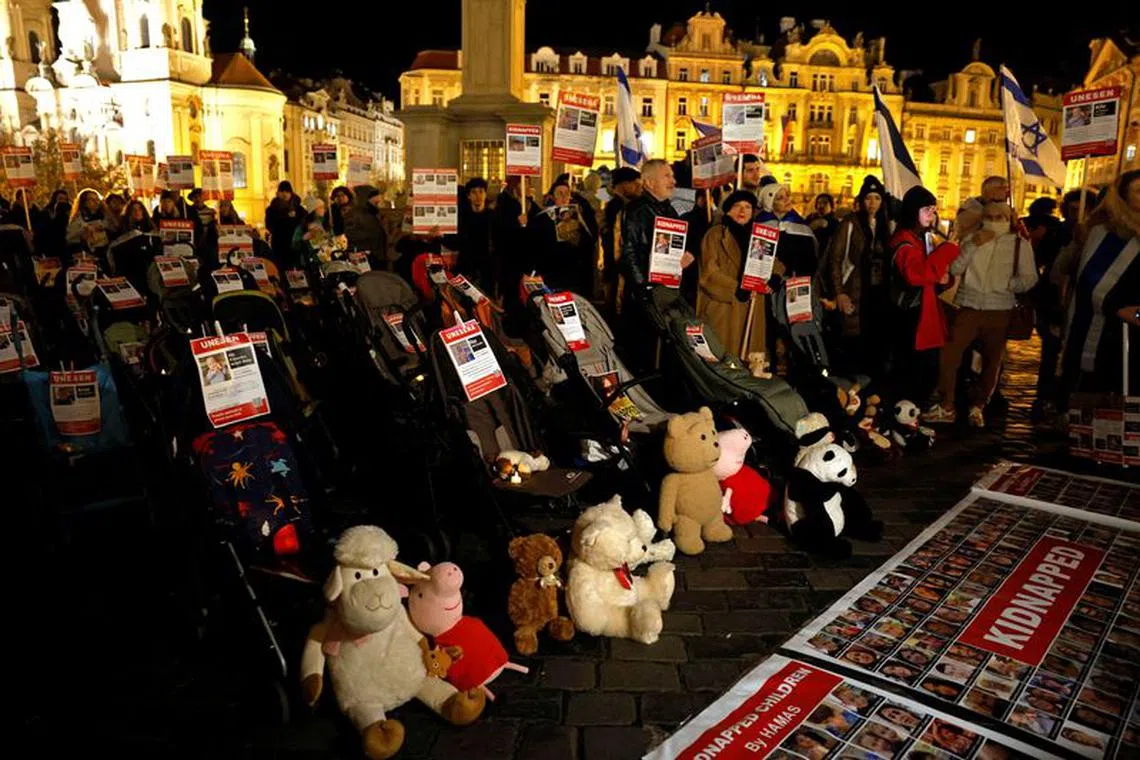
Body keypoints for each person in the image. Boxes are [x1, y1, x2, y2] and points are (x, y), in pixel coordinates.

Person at [924, 202, 1037, 427]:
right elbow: (955, 268)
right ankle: (948, 404)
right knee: (950, 353)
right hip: (969, 305)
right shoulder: (972, 239)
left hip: (1000, 308)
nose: (994, 221)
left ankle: (979, 405)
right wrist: (973, 245)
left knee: (992, 361)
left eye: (1000, 217)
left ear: (1009, 219)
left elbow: (1030, 277)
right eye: (990, 216)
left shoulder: (1018, 244)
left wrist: (1010, 285)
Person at [1055, 171, 1140, 405]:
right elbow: (1091, 279)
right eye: (1138, 191)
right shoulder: (1106, 232)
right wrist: (1118, 308)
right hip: (1108, 326)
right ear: (1122, 197)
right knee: (1103, 390)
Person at [890, 185, 960, 406]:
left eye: (933, 209)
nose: (932, 214)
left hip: (924, 315)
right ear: (913, 212)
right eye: (927, 209)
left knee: (926, 372)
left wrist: (944, 280)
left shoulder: (920, 239)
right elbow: (916, 275)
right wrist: (948, 249)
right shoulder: (904, 242)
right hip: (910, 319)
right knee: (915, 374)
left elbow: (929, 277)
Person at [827, 176, 893, 377]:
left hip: (878, 291)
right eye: (868, 198)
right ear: (861, 201)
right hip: (855, 289)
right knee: (852, 339)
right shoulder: (850, 223)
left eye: (877, 198)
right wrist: (839, 292)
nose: (872, 203)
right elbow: (835, 259)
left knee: (874, 339)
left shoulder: (886, 225)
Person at [698, 190, 771, 359]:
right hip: (725, 306)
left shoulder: (758, 237)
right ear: (728, 210)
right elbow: (709, 273)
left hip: (752, 306)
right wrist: (736, 288)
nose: (742, 211)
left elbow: (774, 264)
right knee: (724, 357)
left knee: (749, 360)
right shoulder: (715, 234)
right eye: (737, 206)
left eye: (747, 207)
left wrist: (773, 277)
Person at [620, 158, 695, 310]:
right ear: (649, 182)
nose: (673, 181)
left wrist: (682, 259)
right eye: (666, 176)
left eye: (673, 176)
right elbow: (629, 253)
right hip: (646, 297)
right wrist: (644, 289)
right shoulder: (637, 210)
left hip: (665, 291)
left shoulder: (669, 209)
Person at [531, 176, 597, 296]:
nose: (564, 197)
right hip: (552, 273)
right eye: (559, 194)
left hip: (573, 272)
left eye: (567, 193)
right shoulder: (542, 218)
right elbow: (537, 246)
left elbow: (589, 242)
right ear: (552, 196)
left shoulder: (578, 215)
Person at [602, 166, 642, 315]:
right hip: (618, 271)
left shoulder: (624, 206)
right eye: (635, 184)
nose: (639, 188)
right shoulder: (617, 208)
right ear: (623, 185)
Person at [756, 182, 818, 277]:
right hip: (767, 283)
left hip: (795, 283)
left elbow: (810, 262)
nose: (787, 200)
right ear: (770, 204)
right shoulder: (760, 226)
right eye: (780, 198)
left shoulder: (800, 225)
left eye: (787, 196)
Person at [454, 178, 494, 293]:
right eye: (474, 192)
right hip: (466, 267)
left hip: (487, 270)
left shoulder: (493, 217)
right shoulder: (462, 217)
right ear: (468, 196)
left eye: (481, 191)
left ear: (485, 194)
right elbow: (455, 241)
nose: (478, 196)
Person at [342, 185, 390, 273]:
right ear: (365, 198)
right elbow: (351, 234)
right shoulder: (354, 214)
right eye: (374, 196)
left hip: (377, 255)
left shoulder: (374, 213)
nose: (378, 199)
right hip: (365, 257)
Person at [265, 180, 306, 266]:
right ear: (278, 193)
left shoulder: (298, 208)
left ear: (291, 193)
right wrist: (285, 217)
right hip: (279, 245)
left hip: (295, 244)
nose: (284, 194)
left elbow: (305, 221)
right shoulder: (272, 209)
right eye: (282, 191)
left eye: (287, 191)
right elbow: (269, 225)